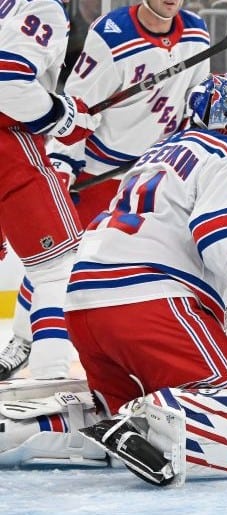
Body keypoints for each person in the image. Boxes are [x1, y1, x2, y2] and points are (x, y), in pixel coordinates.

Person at [0, 72, 227, 486]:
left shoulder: (157, 153)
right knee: (225, 397)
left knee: (108, 408)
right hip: (149, 301)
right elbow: (224, 233)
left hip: (83, 305)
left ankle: (30, 430)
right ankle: (145, 423)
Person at [0, 0, 214, 382]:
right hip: (98, 169)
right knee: (54, 260)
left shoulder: (197, 32)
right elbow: (81, 101)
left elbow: (196, 98)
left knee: (153, 261)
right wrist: (65, 162)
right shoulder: (112, 33)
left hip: (152, 171)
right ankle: (24, 341)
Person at [0, 0, 99, 380]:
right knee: (59, 269)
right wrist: (60, 116)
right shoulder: (42, 6)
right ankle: (50, 382)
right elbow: (7, 78)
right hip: (9, 147)